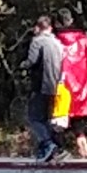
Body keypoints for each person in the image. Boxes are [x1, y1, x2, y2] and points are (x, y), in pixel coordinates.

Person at [56, 9, 87, 159]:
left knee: (58, 117)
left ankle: (58, 150)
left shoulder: (55, 40)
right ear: (71, 20)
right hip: (81, 84)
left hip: (62, 83)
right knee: (78, 118)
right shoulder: (83, 39)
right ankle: (81, 141)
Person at [23, 15, 66, 162]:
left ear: (38, 27)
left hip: (40, 84)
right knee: (47, 119)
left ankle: (48, 144)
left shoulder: (37, 41)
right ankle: (55, 149)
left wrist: (22, 65)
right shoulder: (57, 43)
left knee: (34, 118)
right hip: (55, 85)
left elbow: (32, 61)